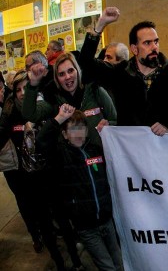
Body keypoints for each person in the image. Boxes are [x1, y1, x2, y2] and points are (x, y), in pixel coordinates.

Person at [0, 70, 84, 271]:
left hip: (53, 173)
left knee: (63, 220)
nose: (22, 93)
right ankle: (59, 263)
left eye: (26, 88)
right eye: (18, 89)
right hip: (29, 179)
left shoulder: (44, 107)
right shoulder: (10, 113)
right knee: (45, 226)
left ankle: (76, 260)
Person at [77, 7, 168, 135]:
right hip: (132, 148)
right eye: (147, 43)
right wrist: (100, 25)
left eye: (156, 42)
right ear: (134, 49)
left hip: (165, 147)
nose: (154, 47)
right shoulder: (121, 73)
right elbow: (86, 64)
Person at [37, 108, 122, 271]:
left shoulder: (95, 150)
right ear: (64, 134)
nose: (77, 134)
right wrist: (59, 118)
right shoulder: (61, 156)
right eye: (72, 129)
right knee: (107, 266)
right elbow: (41, 141)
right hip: (86, 226)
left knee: (119, 261)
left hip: (107, 220)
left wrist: (108, 126)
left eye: (81, 128)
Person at [22, 52, 117, 145]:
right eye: (61, 74)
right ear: (57, 79)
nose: (67, 77)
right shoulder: (53, 100)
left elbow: (115, 120)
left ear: (78, 70)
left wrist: (109, 125)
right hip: (71, 159)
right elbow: (30, 114)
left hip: (101, 156)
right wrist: (33, 85)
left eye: (70, 71)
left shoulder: (96, 91)